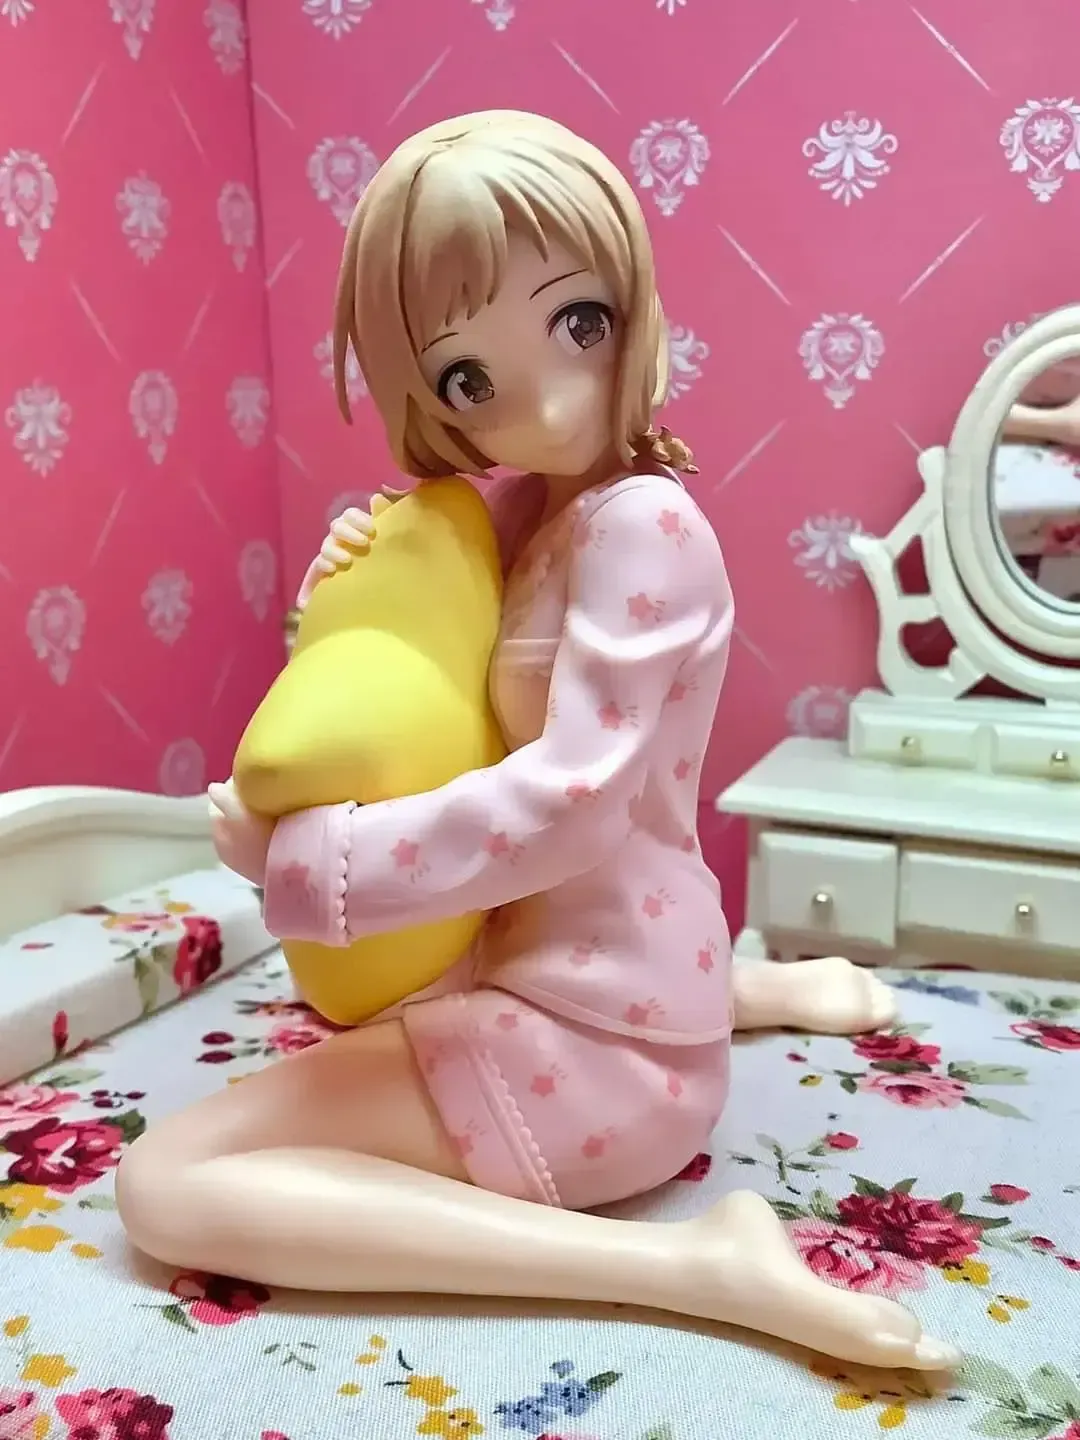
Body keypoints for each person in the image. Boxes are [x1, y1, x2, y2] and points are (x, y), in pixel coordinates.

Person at [116, 111, 957, 1372]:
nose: (550, 400)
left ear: (631, 298)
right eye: (470, 379)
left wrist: (311, 860)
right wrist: (357, 574)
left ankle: (691, 1268)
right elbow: (431, 700)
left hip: (600, 1041)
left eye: (580, 322)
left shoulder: (642, 527)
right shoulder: (528, 515)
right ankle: (737, 992)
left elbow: (574, 804)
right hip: (570, 965)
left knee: (168, 1184)